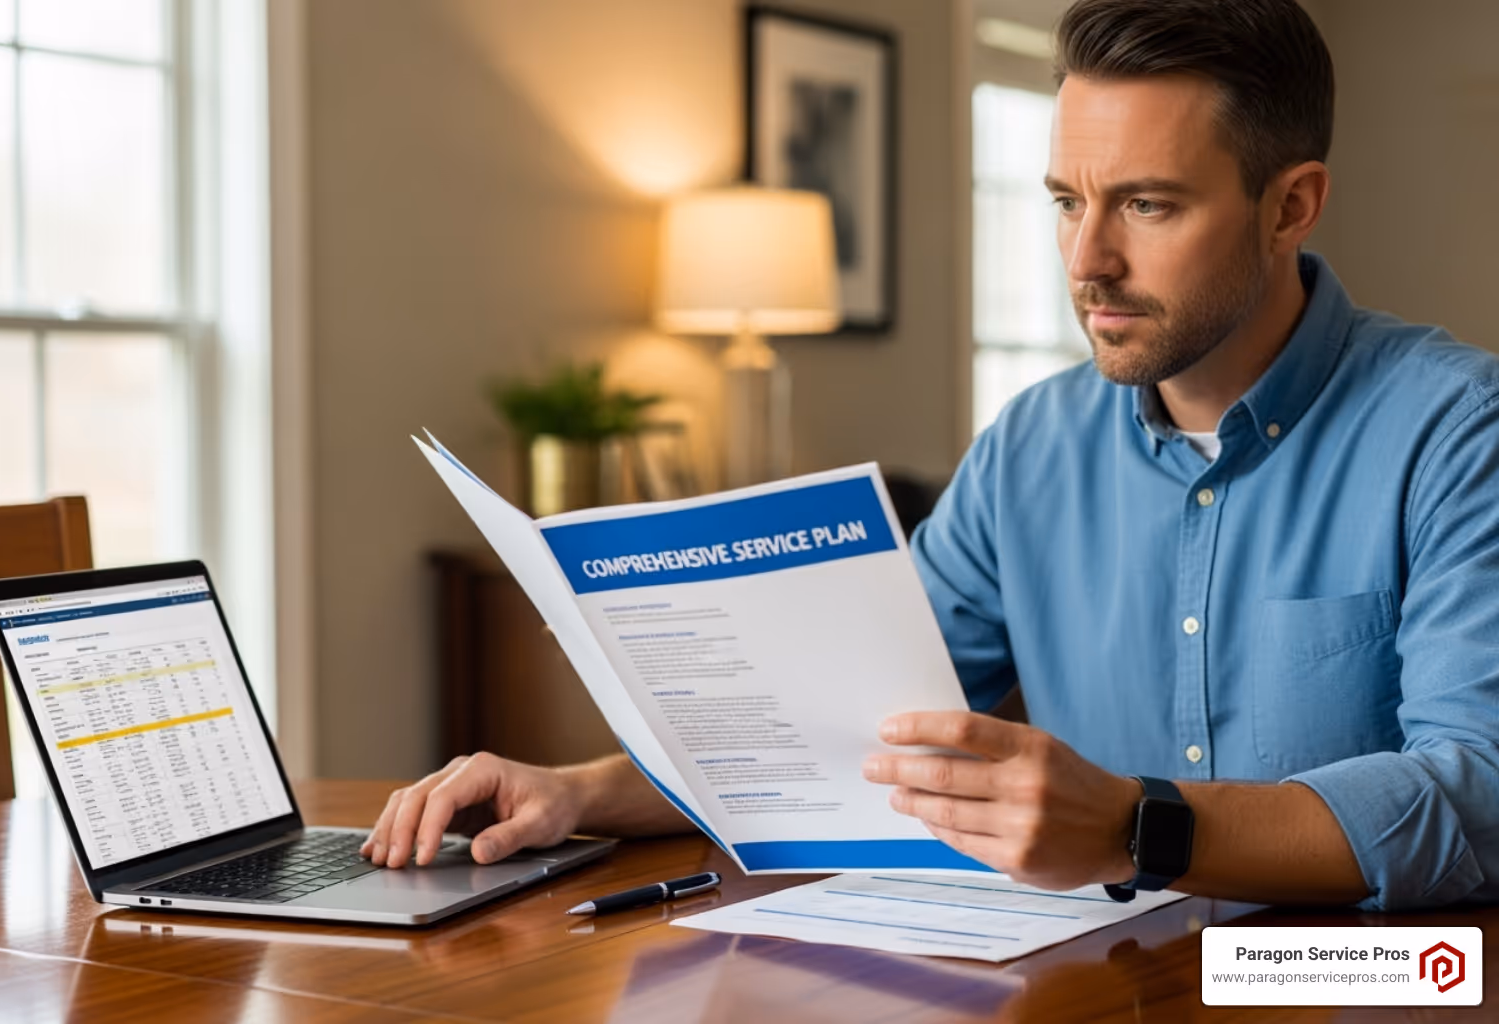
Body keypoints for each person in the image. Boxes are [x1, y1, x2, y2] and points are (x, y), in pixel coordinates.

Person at [363, 0, 1499, 910]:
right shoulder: (1029, 447)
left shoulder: (1456, 431)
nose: (1086, 261)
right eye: (1067, 202)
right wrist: (578, 792)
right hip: (1106, 986)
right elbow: (843, 722)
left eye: (1147, 205)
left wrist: (1135, 828)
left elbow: (1478, 794)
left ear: (1291, 206)